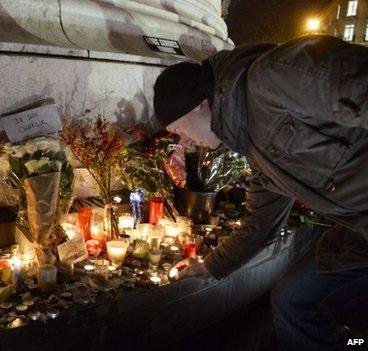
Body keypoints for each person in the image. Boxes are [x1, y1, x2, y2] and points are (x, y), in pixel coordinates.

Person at [153, 35, 368, 351]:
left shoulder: (271, 78)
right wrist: (209, 266)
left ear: (199, 104)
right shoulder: (253, 148)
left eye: (179, 131)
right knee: (294, 299)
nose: (184, 143)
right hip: (357, 236)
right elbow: (262, 222)